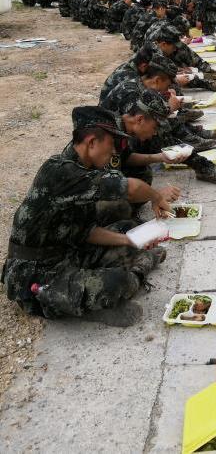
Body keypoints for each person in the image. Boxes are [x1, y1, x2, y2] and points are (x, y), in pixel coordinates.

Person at [1, 106, 176, 327]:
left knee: (128, 230)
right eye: (111, 144)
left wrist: (130, 240)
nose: (114, 151)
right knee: (118, 282)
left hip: (67, 252)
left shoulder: (84, 166)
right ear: (92, 142)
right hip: (36, 273)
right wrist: (156, 196)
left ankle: (115, 278)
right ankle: (120, 285)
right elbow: (131, 189)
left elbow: (85, 231)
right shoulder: (61, 172)